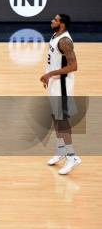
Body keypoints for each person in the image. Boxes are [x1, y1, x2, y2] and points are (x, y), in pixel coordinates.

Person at [41, 14, 81, 175]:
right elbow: (53, 60)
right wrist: (48, 77)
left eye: (56, 20)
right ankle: (61, 150)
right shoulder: (55, 35)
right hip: (55, 82)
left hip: (62, 84)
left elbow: (74, 66)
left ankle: (72, 157)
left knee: (62, 120)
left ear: (62, 25)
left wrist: (49, 75)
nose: (52, 21)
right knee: (56, 118)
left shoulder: (65, 41)